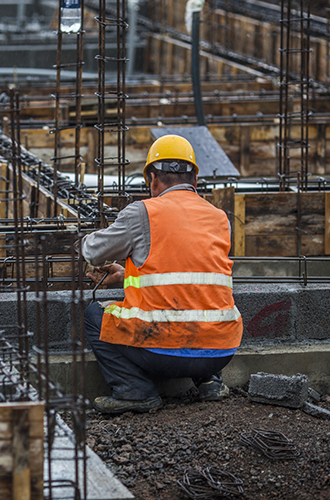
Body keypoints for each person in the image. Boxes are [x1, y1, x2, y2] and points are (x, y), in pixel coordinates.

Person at [79, 134, 243, 414]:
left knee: (94, 316)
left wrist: (80, 240)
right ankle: (210, 382)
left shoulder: (143, 213)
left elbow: (93, 252)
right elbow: (191, 271)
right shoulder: (220, 218)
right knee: (204, 305)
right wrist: (128, 273)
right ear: (195, 179)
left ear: (152, 179)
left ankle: (135, 392)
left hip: (162, 352)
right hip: (221, 350)